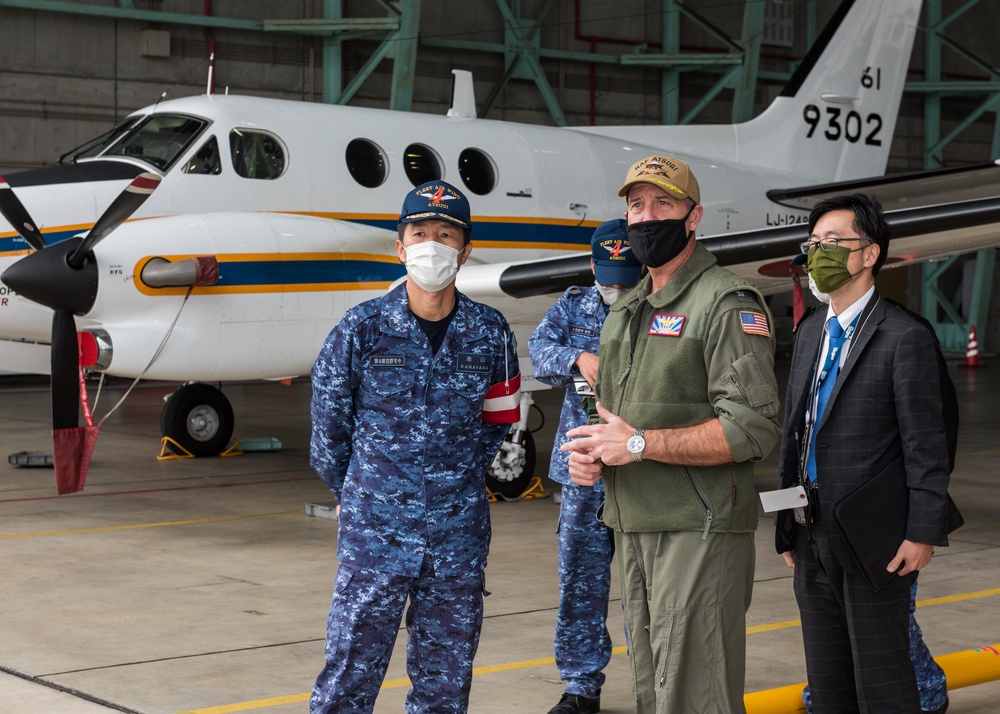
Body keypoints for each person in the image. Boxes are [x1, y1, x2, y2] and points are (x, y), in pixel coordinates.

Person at [561, 155, 782, 713]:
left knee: (694, 693)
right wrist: (593, 456)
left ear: (693, 216)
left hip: (698, 528)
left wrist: (638, 446)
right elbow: (615, 419)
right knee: (654, 691)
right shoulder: (627, 311)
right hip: (634, 522)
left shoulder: (724, 303)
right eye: (636, 205)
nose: (646, 217)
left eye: (663, 203)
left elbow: (752, 428)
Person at [308, 180, 521, 714]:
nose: (432, 244)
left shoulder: (489, 332)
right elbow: (328, 430)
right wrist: (362, 491)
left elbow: (499, 421)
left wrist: (450, 480)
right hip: (374, 534)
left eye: (445, 234)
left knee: (445, 685)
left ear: (465, 250)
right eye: (419, 233)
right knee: (348, 679)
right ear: (400, 247)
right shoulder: (361, 329)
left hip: (457, 537)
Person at [774, 193, 951, 713]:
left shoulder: (904, 337)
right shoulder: (810, 333)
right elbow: (796, 435)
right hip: (810, 529)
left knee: (882, 681)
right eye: (813, 244)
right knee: (826, 680)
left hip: (874, 535)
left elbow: (927, 446)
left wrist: (922, 532)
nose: (819, 253)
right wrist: (786, 521)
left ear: (870, 253)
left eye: (834, 242)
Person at [528, 219, 643, 714]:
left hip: (646, 466)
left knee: (650, 585)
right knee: (580, 579)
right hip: (584, 469)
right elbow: (538, 350)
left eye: (626, 275)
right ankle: (580, 687)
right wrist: (577, 356)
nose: (616, 286)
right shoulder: (573, 305)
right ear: (593, 265)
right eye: (608, 274)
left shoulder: (659, 305)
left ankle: (658, 681)